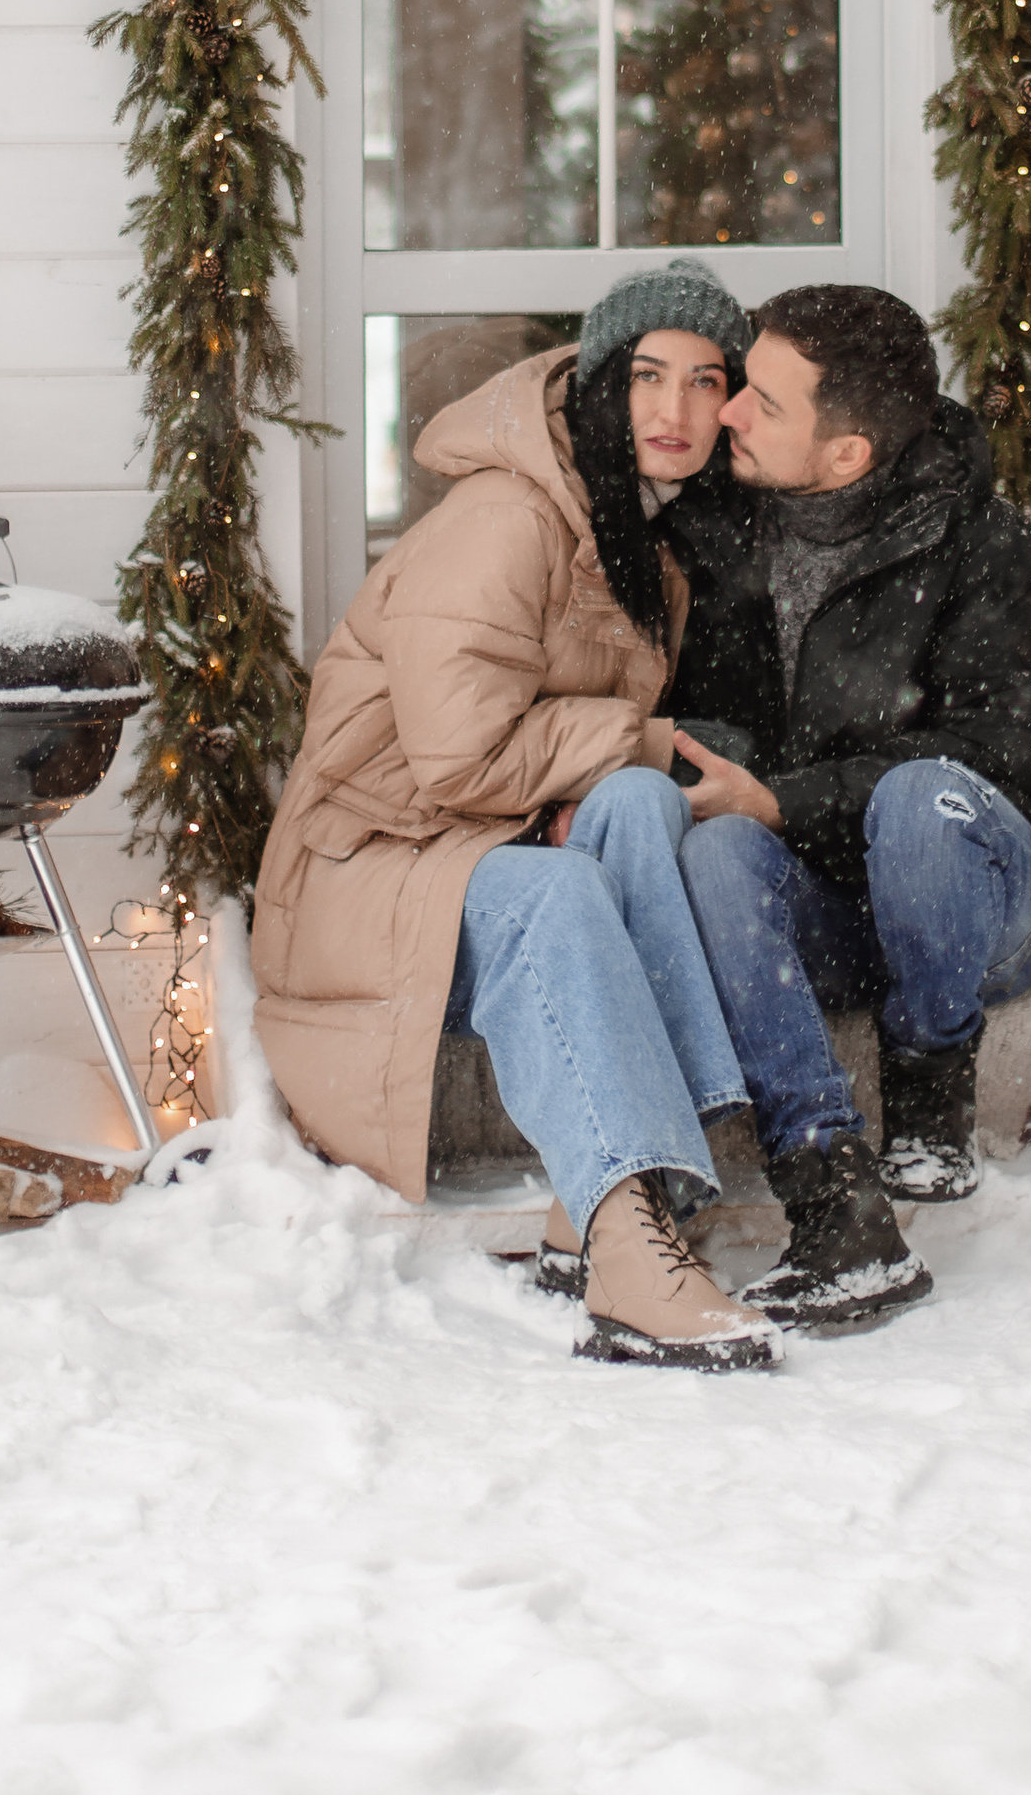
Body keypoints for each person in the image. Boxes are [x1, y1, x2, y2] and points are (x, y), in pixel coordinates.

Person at [250, 261, 778, 1371]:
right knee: (569, 868)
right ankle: (628, 1246)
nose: (674, 412)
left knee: (640, 802)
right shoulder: (507, 518)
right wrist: (640, 736)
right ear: (597, 385)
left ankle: (626, 1189)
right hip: (373, 865)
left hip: (471, 845)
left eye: (703, 381)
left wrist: (651, 757)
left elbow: (584, 756)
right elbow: (458, 759)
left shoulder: (639, 538)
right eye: (647, 377)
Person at [674, 284, 1031, 1335]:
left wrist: (791, 797)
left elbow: (1009, 748)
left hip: (975, 911)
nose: (726, 411)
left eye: (761, 402)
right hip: (826, 908)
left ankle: (928, 1095)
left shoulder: (973, 541)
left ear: (847, 453)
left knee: (919, 800)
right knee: (721, 853)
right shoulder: (722, 530)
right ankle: (829, 1197)